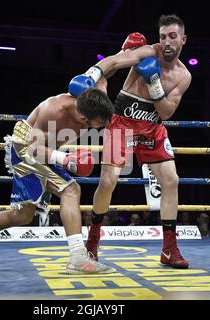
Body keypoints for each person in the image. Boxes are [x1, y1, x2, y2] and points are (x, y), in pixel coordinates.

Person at [0, 80, 116, 274]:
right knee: (70, 189)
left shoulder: (93, 100)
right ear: (84, 116)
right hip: (27, 148)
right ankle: (78, 258)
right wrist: (65, 158)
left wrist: (112, 65)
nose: (98, 129)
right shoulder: (54, 109)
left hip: (44, 151)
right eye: (98, 124)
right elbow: (33, 148)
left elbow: (108, 68)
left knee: (23, 215)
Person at [70, 14, 191, 269]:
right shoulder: (147, 53)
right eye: (162, 36)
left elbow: (167, 112)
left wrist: (154, 83)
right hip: (122, 124)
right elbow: (115, 60)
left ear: (182, 39)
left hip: (152, 129)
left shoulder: (183, 76)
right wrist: (92, 74)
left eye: (172, 36)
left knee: (171, 180)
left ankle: (169, 249)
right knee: (108, 181)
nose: (166, 42)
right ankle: (92, 241)